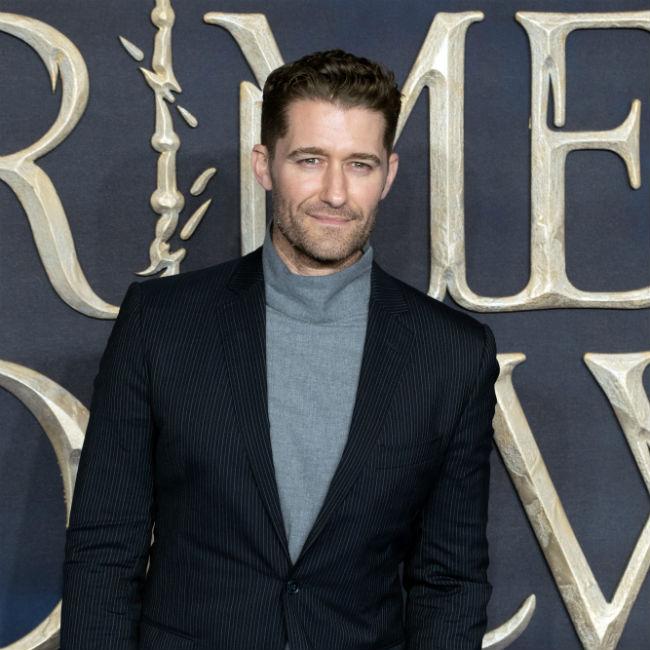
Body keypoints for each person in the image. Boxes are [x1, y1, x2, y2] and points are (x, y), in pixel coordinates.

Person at [61, 49, 500, 650]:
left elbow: (450, 581)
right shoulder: (161, 324)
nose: (335, 193)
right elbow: (105, 550)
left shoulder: (452, 354)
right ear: (265, 165)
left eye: (360, 165)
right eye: (310, 160)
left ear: (389, 174)